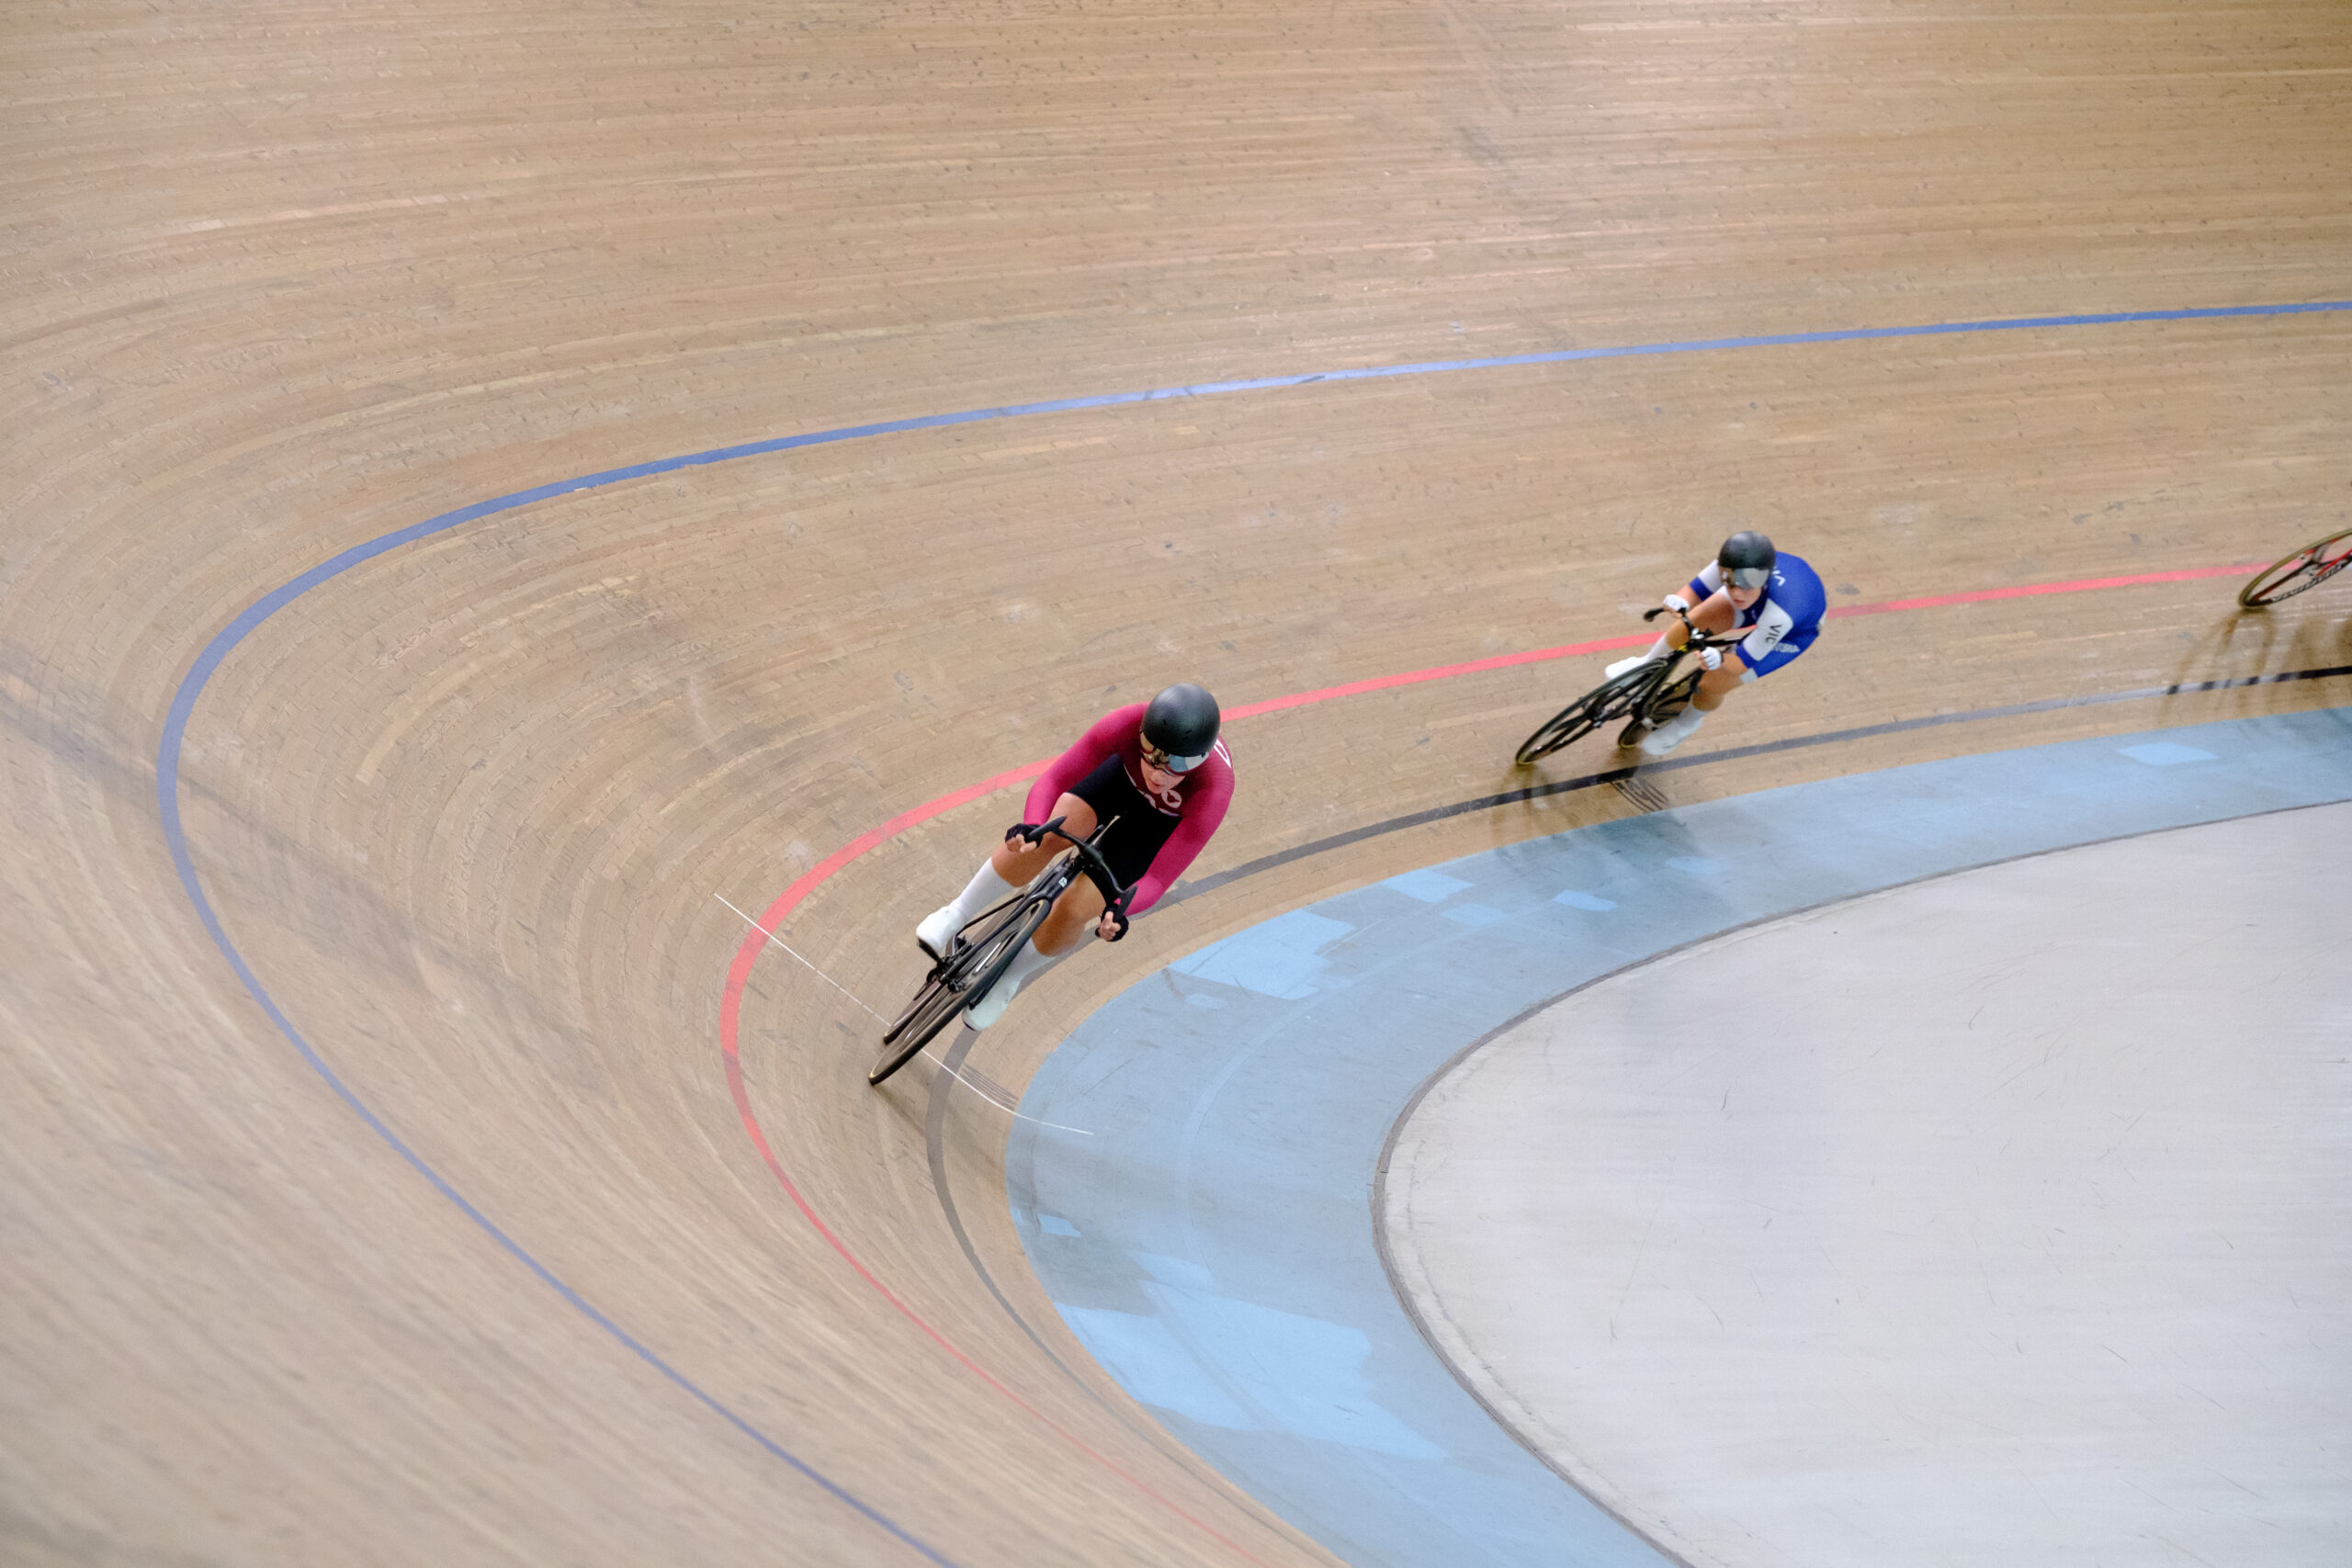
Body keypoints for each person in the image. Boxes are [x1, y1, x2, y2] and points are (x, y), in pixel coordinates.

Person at [915, 682, 1233, 1028]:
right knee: (1045, 837)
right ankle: (956, 913)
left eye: (1176, 764)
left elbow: (1157, 877)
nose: (1158, 773)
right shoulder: (1125, 723)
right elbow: (1053, 780)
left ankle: (1008, 978)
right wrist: (1032, 826)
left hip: (1156, 825)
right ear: (1142, 733)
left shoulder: (1213, 789)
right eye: (1151, 753)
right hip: (1120, 780)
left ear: (1200, 760)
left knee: (1076, 907)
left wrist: (1118, 908)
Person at [1605, 531, 1825, 757]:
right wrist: (1680, 601)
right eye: (1729, 584)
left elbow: (1740, 664)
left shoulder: (1781, 615)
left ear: (1764, 578)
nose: (1737, 593)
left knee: (1713, 682)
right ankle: (1646, 665)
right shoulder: (1736, 568)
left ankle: (1686, 724)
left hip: (1793, 633)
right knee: (1691, 623)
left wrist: (1720, 659)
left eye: (1746, 586)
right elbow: (1694, 592)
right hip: (1760, 601)